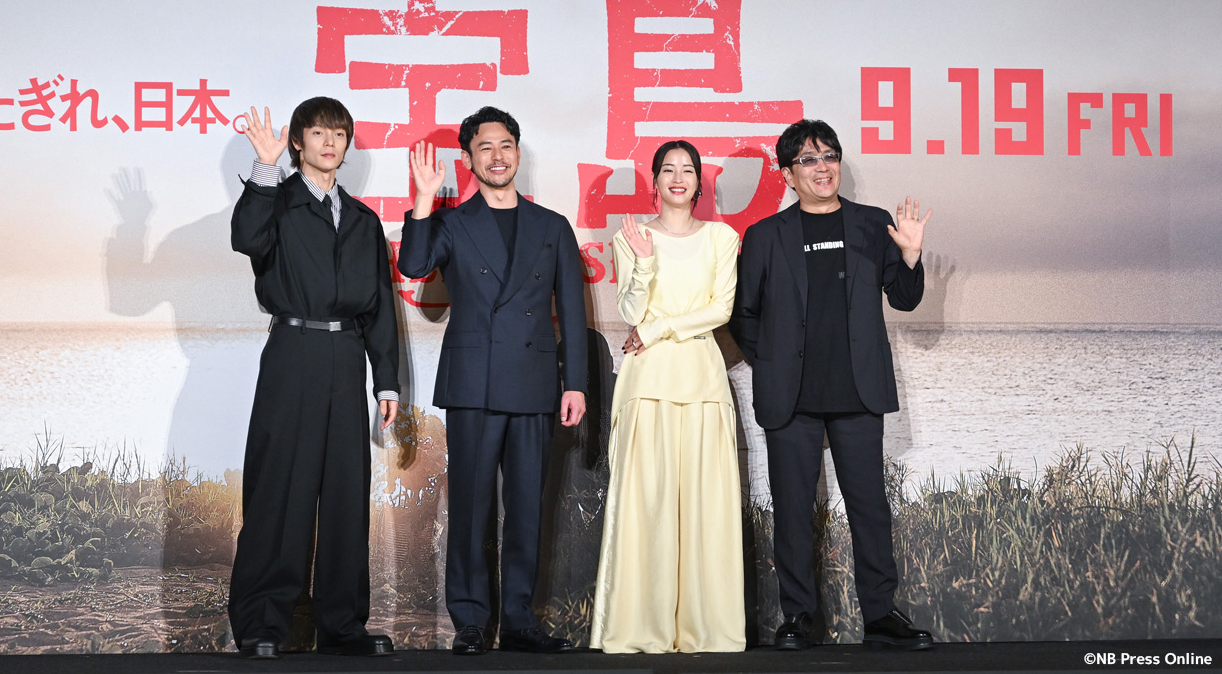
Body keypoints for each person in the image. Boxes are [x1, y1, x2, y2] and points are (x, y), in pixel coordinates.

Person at [729, 119, 935, 651]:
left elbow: (904, 298)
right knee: (793, 509)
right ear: (787, 175)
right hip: (791, 396)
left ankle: (881, 615)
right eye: (808, 159)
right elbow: (743, 315)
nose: (822, 168)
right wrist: (771, 365)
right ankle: (798, 616)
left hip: (857, 390)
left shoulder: (872, 224)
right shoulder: (766, 236)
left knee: (869, 507)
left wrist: (911, 257)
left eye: (829, 156)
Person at [397, 107, 587, 655]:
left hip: (533, 381)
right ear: (468, 159)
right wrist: (425, 200)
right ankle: (471, 620)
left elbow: (572, 313)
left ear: (518, 153)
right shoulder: (453, 223)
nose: (497, 156)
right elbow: (413, 265)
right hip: (474, 382)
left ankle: (521, 621)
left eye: (506, 145)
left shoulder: (551, 225)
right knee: (471, 506)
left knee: (527, 508)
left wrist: (575, 382)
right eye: (485, 147)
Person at [227, 97, 400, 659]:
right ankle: (262, 625)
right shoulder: (276, 201)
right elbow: (246, 240)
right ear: (298, 141)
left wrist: (386, 382)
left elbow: (380, 306)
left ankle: (343, 626)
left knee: (346, 494)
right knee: (280, 490)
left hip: (346, 357)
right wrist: (264, 169)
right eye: (319, 132)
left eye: (339, 134)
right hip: (293, 352)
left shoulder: (364, 220)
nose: (330, 143)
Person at [590, 140, 746, 653]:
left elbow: (720, 310)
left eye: (688, 170)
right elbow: (631, 310)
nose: (678, 178)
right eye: (668, 170)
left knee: (706, 508)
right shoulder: (630, 235)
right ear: (654, 181)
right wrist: (644, 262)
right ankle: (641, 628)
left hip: (701, 378)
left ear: (700, 182)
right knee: (646, 506)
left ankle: (708, 629)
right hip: (648, 382)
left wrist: (659, 329)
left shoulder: (722, 237)